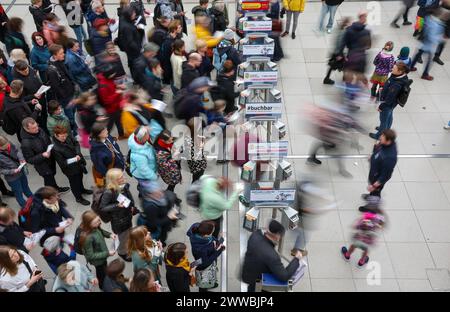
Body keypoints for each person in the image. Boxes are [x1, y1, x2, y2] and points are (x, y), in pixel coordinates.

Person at [242, 220, 303, 292]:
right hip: (260, 281)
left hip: (248, 274)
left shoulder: (255, 235)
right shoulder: (272, 256)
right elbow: (284, 276)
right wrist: (296, 259)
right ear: (277, 236)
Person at [21, 118, 70, 192]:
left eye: (36, 125)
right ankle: (50, 195)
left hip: (50, 160)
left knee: (52, 177)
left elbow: (47, 140)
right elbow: (29, 159)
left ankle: (56, 188)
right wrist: (42, 155)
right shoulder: (25, 143)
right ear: (27, 129)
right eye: (34, 128)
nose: (37, 128)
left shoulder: (40, 130)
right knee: (48, 180)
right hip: (42, 166)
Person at [98, 168, 135, 261]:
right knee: (122, 238)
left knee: (128, 234)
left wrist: (131, 205)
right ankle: (122, 252)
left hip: (127, 215)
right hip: (119, 221)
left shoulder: (123, 185)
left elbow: (128, 196)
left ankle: (128, 246)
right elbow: (102, 207)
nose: (124, 177)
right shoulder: (109, 192)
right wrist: (117, 206)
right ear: (114, 180)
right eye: (121, 177)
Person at [52, 125, 92, 205]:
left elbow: (76, 143)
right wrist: (74, 159)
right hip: (70, 169)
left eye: (65, 135)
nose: (64, 138)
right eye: (62, 136)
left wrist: (77, 153)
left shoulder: (68, 136)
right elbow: (62, 163)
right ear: (56, 135)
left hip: (78, 163)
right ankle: (78, 197)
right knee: (74, 183)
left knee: (80, 177)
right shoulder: (55, 148)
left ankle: (82, 189)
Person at [369, 62, 409, 140]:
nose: (391, 69)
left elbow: (389, 98)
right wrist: (384, 88)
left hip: (387, 104)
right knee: (389, 116)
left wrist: (381, 106)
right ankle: (386, 129)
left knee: (383, 120)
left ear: (400, 71)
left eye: (394, 69)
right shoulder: (399, 76)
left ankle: (379, 135)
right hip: (392, 104)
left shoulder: (397, 84)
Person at [78, 210, 116, 290]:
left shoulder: (95, 226)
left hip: (102, 254)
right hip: (98, 261)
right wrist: (107, 253)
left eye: (98, 220)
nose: (99, 223)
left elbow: (101, 231)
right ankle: (102, 285)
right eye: (96, 222)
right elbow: (90, 256)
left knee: (104, 268)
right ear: (89, 224)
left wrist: (110, 235)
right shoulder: (87, 238)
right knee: (101, 272)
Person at [11, 60, 48, 133]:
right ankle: (43, 131)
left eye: (27, 69)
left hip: (41, 97)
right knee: (39, 120)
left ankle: (46, 128)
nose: (27, 72)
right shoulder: (17, 82)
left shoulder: (29, 69)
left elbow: (36, 79)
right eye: (24, 71)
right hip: (32, 103)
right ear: (18, 70)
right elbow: (21, 98)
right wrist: (33, 96)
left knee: (45, 115)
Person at [187, 221, 224, 292]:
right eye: (212, 232)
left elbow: (212, 239)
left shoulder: (197, 227)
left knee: (209, 274)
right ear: (206, 235)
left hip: (200, 259)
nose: (212, 233)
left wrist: (220, 241)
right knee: (203, 281)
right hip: (203, 264)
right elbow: (205, 263)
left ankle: (211, 283)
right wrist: (219, 251)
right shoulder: (201, 249)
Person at [410, 9, 447, 81]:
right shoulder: (437, 24)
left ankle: (410, 67)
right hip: (429, 45)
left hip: (423, 42)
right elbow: (432, 36)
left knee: (418, 54)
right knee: (429, 60)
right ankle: (425, 74)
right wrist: (439, 39)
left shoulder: (428, 18)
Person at [139, 180, 179, 246]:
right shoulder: (150, 207)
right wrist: (169, 217)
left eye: (160, 190)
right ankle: (160, 244)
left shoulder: (157, 198)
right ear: (149, 194)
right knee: (161, 238)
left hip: (164, 222)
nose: (161, 194)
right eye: (156, 193)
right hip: (158, 228)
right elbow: (154, 223)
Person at [47, 44, 77, 131]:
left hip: (71, 93)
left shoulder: (61, 61)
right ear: (54, 56)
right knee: (70, 116)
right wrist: (66, 96)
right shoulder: (52, 70)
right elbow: (56, 87)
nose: (63, 54)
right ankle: (74, 131)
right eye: (61, 53)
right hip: (65, 97)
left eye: (63, 52)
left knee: (73, 112)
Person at [0, 136, 33, 208]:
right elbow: (1, 170)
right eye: (4, 147)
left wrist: (21, 158)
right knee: (18, 193)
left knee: (26, 188)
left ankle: (35, 201)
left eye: (7, 144)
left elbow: (17, 151)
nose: (7, 147)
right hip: (12, 178)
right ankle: (25, 207)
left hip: (21, 171)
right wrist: (12, 171)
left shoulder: (9, 144)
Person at [364, 129, 398, 199]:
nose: (380, 138)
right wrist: (373, 155)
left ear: (388, 141)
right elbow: (378, 148)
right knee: (373, 192)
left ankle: (372, 207)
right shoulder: (384, 143)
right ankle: (372, 195)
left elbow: (386, 175)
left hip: (377, 179)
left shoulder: (389, 158)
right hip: (374, 172)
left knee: (375, 193)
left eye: (383, 137)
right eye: (382, 135)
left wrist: (374, 186)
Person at [89, 122, 125, 187]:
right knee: (116, 189)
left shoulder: (108, 137)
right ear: (99, 134)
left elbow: (116, 150)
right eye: (104, 130)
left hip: (119, 168)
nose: (107, 131)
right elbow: (100, 168)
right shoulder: (96, 151)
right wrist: (111, 177)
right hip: (112, 175)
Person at [96, 65, 125, 139]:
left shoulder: (108, 79)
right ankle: (105, 136)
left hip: (116, 105)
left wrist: (118, 87)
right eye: (113, 74)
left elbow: (112, 86)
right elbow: (107, 101)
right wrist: (117, 93)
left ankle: (121, 134)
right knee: (111, 123)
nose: (114, 75)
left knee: (118, 121)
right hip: (111, 109)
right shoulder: (103, 86)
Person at [160, 19, 183, 84]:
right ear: (174, 29)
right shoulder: (168, 42)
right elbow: (166, 59)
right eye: (179, 27)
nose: (181, 28)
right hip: (172, 68)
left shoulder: (176, 37)